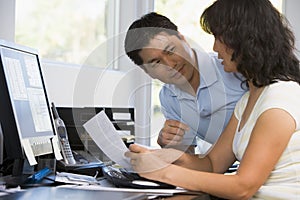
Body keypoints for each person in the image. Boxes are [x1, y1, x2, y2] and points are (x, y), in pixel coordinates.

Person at [125, 0, 300, 199]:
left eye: (219, 38)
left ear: (245, 41)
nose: (215, 48)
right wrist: (167, 156)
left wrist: (161, 171)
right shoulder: (247, 100)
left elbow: (243, 187)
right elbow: (213, 164)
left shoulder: (280, 96)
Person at [124, 12, 246, 153]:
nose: (170, 64)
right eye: (156, 62)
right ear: (147, 72)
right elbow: (188, 156)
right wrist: (170, 145)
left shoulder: (232, 68)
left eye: (170, 50)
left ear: (183, 39)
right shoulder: (168, 98)